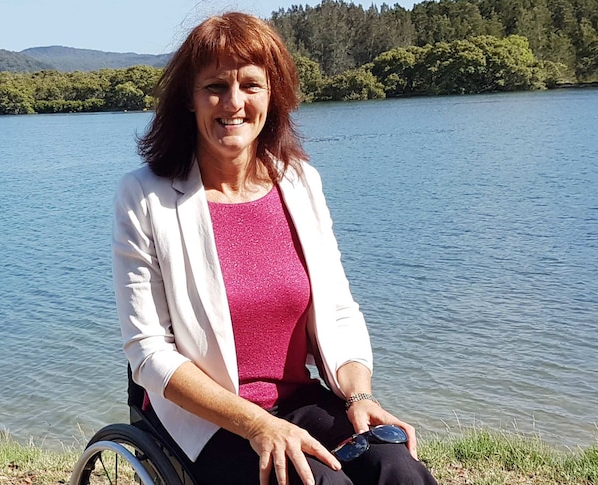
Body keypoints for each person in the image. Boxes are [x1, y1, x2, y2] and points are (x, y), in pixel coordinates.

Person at [112, 11, 437, 485]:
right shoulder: (145, 196)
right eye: (215, 87)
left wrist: (358, 397)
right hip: (209, 420)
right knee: (321, 483)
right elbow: (148, 352)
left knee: (398, 470)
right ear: (190, 99)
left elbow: (338, 309)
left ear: (273, 95)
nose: (234, 102)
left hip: (298, 400)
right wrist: (259, 424)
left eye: (251, 85)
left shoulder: (300, 182)